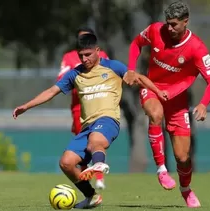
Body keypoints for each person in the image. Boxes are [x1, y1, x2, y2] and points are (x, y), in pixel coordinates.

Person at [13, 33, 166, 209]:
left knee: (95, 140)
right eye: (81, 56)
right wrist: (26, 106)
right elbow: (51, 91)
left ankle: (99, 163)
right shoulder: (75, 74)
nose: (84, 59)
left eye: (88, 55)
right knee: (66, 162)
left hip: (108, 120)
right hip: (87, 127)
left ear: (98, 51)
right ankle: (91, 196)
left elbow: (139, 78)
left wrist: (158, 92)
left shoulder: (113, 67)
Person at [123, 1, 210, 208]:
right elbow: (135, 44)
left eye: (174, 24)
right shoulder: (155, 30)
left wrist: (203, 104)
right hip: (151, 87)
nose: (170, 28)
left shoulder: (197, 48)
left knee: (183, 157)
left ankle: (186, 189)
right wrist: (131, 69)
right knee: (155, 114)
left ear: (186, 21)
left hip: (177, 99)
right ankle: (161, 170)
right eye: (168, 23)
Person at [57, 27, 109, 189]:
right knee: (81, 149)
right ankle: (86, 180)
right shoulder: (70, 57)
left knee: (96, 141)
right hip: (79, 107)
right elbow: (62, 78)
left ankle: (100, 178)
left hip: (100, 105)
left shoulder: (102, 56)